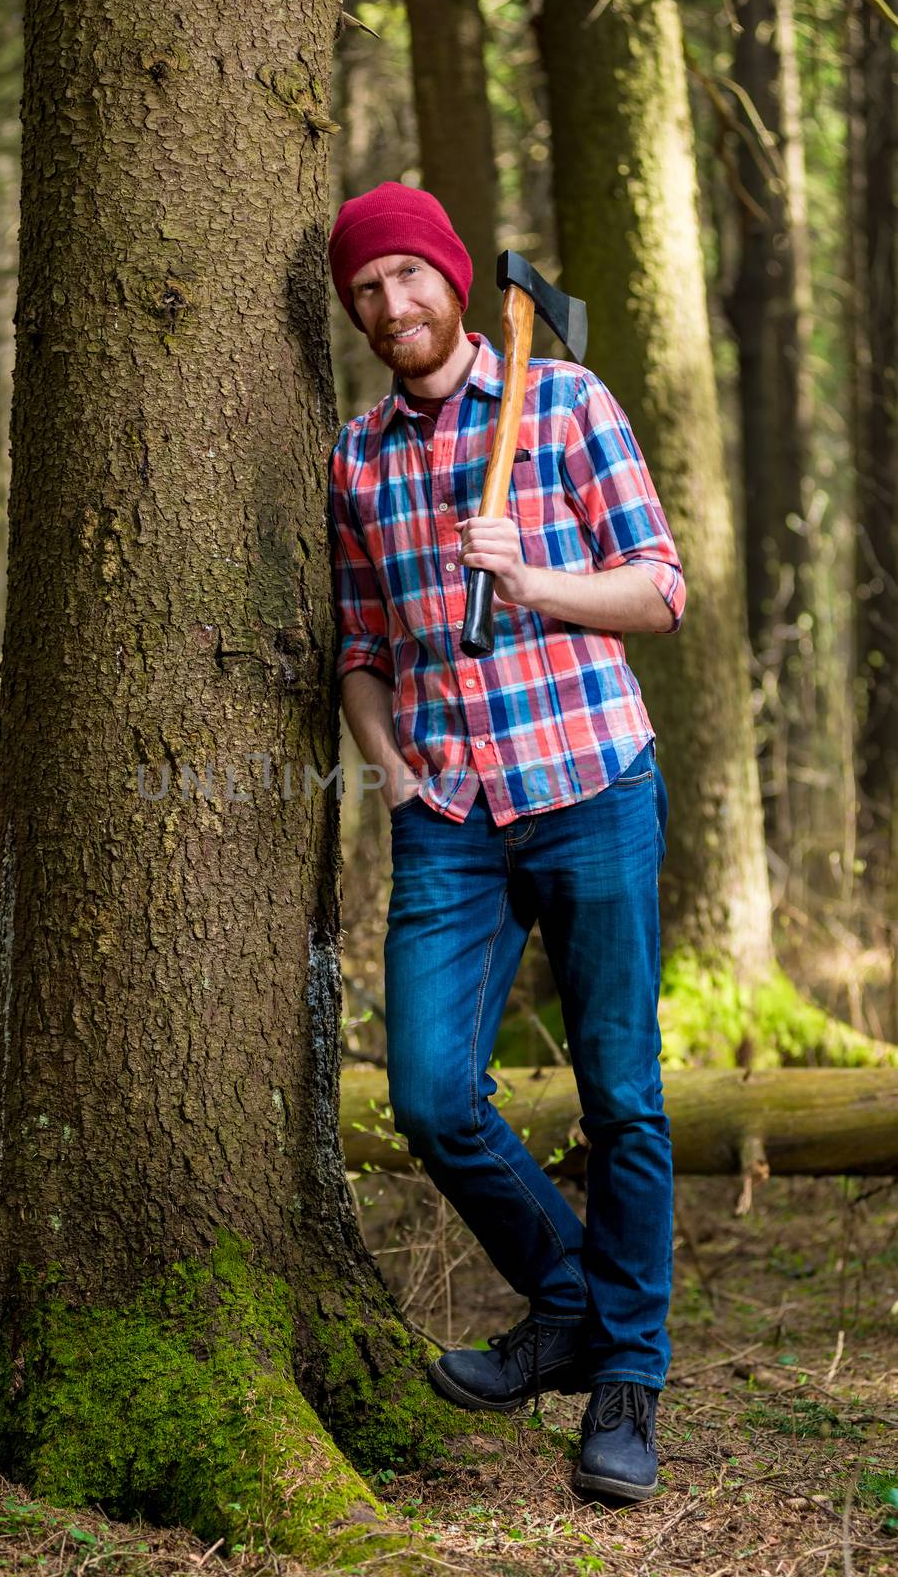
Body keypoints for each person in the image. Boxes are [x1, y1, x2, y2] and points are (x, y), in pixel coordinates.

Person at [326, 180, 685, 1504]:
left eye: (408, 278)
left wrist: (529, 579)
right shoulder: (358, 459)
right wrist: (389, 769)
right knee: (427, 1090)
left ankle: (626, 1386)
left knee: (622, 1097)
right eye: (365, 291)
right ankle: (579, 1301)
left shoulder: (566, 402)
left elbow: (658, 588)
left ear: (457, 278)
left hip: (591, 781)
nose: (390, 306)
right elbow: (362, 645)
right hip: (452, 815)